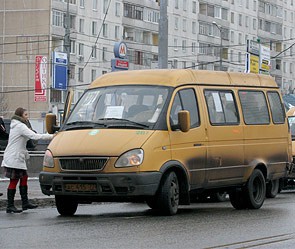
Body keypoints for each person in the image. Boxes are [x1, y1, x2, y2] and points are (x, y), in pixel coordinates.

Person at [1, 107, 54, 213]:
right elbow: (34, 136)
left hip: (16, 157)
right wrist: (52, 136)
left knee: (24, 177)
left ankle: (25, 203)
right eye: (25, 115)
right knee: (14, 180)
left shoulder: (17, 125)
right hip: (14, 157)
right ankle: (10, 206)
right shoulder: (20, 126)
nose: (27, 117)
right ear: (20, 116)